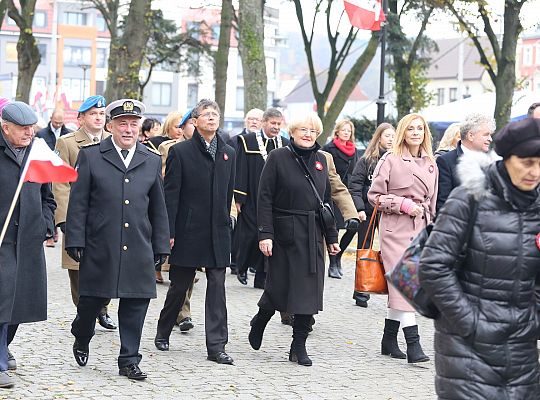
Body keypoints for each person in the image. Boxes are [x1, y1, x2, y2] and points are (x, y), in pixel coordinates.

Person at [419, 117, 540, 399]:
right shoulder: (469, 199)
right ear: (506, 158)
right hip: (467, 349)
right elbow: (434, 267)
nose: (534, 171)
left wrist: (534, 318)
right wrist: (471, 323)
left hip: (521, 347)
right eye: (526, 162)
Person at [65, 99, 170, 380]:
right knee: (91, 300)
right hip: (101, 242)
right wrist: (75, 238)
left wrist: (161, 244)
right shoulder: (91, 155)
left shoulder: (150, 159)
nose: (128, 129)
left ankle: (129, 359)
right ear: (110, 126)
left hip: (138, 243)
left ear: (140, 128)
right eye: (122, 123)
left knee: (136, 302)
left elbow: (158, 206)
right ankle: (82, 333)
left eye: (133, 124)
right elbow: (79, 202)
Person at [248, 112, 340, 366]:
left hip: (313, 234)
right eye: (303, 130)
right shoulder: (278, 157)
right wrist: (265, 234)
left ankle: (298, 346)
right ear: (293, 132)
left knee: (308, 293)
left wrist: (332, 237)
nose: (308, 134)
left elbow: (327, 201)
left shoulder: (322, 160)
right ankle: (262, 317)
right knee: (279, 287)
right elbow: (264, 197)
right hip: (284, 233)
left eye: (312, 131)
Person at [154, 99, 236, 366]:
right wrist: (169, 231)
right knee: (179, 286)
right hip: (188, 231)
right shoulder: (181, 152)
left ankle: (216, 346)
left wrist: (227, 220)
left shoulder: (228, 153)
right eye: (206, 114)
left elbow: (227, 194)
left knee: (217, 287)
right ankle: (163, 329)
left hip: (218, 231)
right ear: (195, 120)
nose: (212, 118)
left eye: (216, 114)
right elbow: (171, 196)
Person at [367, 113, 438, 363]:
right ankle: (413, 345)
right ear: (403, 133)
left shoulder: (431, 162)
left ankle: (388, 339)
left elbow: (433, 202)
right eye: (411, 129)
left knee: (403, 285)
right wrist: (403, 205)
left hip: (420, 230)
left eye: (420, 128)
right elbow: (374, 196)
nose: (416, 133)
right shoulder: (391, 159)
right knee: (405, 284)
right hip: (395, 229)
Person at [0, 101, 56, 388]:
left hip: (29, 239)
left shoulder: (38, 153)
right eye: (23, 129)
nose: (29, 133)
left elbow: (48, 195)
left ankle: (4, 345)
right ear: (5, 127)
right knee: (2, 301)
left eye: (32, 127)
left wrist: (47, 222)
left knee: (21, 303)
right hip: (3, 241)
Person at [53, 95, 117, 331]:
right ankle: (84, 312)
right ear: (81, 118)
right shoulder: (68, 143)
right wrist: (64, 218)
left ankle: (103, 308)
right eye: (93, 114)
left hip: (106, 216)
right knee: (78, 269)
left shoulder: (113, 141)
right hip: (79, 216)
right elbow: (60, 183)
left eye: (101, 114)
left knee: (108, 264)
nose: (98, 118)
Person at [234, 108, 288, 288]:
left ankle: (261, 276)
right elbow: (240, 168)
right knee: (250, 234)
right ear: (264, 122)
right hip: (252, 195)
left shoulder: (285, 144)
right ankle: (241, 266)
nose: (276, 127)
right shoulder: (247, 141)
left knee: (268, 235)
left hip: (275, 199)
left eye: (279, 124)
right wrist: (239, 196)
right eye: (273, 123)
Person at [348, 122, 395, 307]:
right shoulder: (366, 160)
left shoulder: (398, 158)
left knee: (390, 249)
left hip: (388, 211)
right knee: (364, 248)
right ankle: (360, 290)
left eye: (393, 136)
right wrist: (359, 208)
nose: (390, 139)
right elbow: (355, 186)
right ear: (379, 138)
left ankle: (392, 291)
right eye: (387, 136)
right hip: (367, 211)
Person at [322, 119, 361, 279]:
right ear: (337, 131)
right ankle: (332, 263)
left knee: (353, 227)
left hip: (348, 193)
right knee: (334, 229)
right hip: (332, 193)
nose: (346, 133)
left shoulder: (354, 150)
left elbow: (354, 173)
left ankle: (339, 256)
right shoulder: (328, 148)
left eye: (349, 131)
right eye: (343, 130)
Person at [436, 113, 494, 212]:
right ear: (470, 135)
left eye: (490, 135)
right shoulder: (445, 161)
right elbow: (443, 203)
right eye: (486, 134)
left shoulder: (492, 161)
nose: (490, 139)